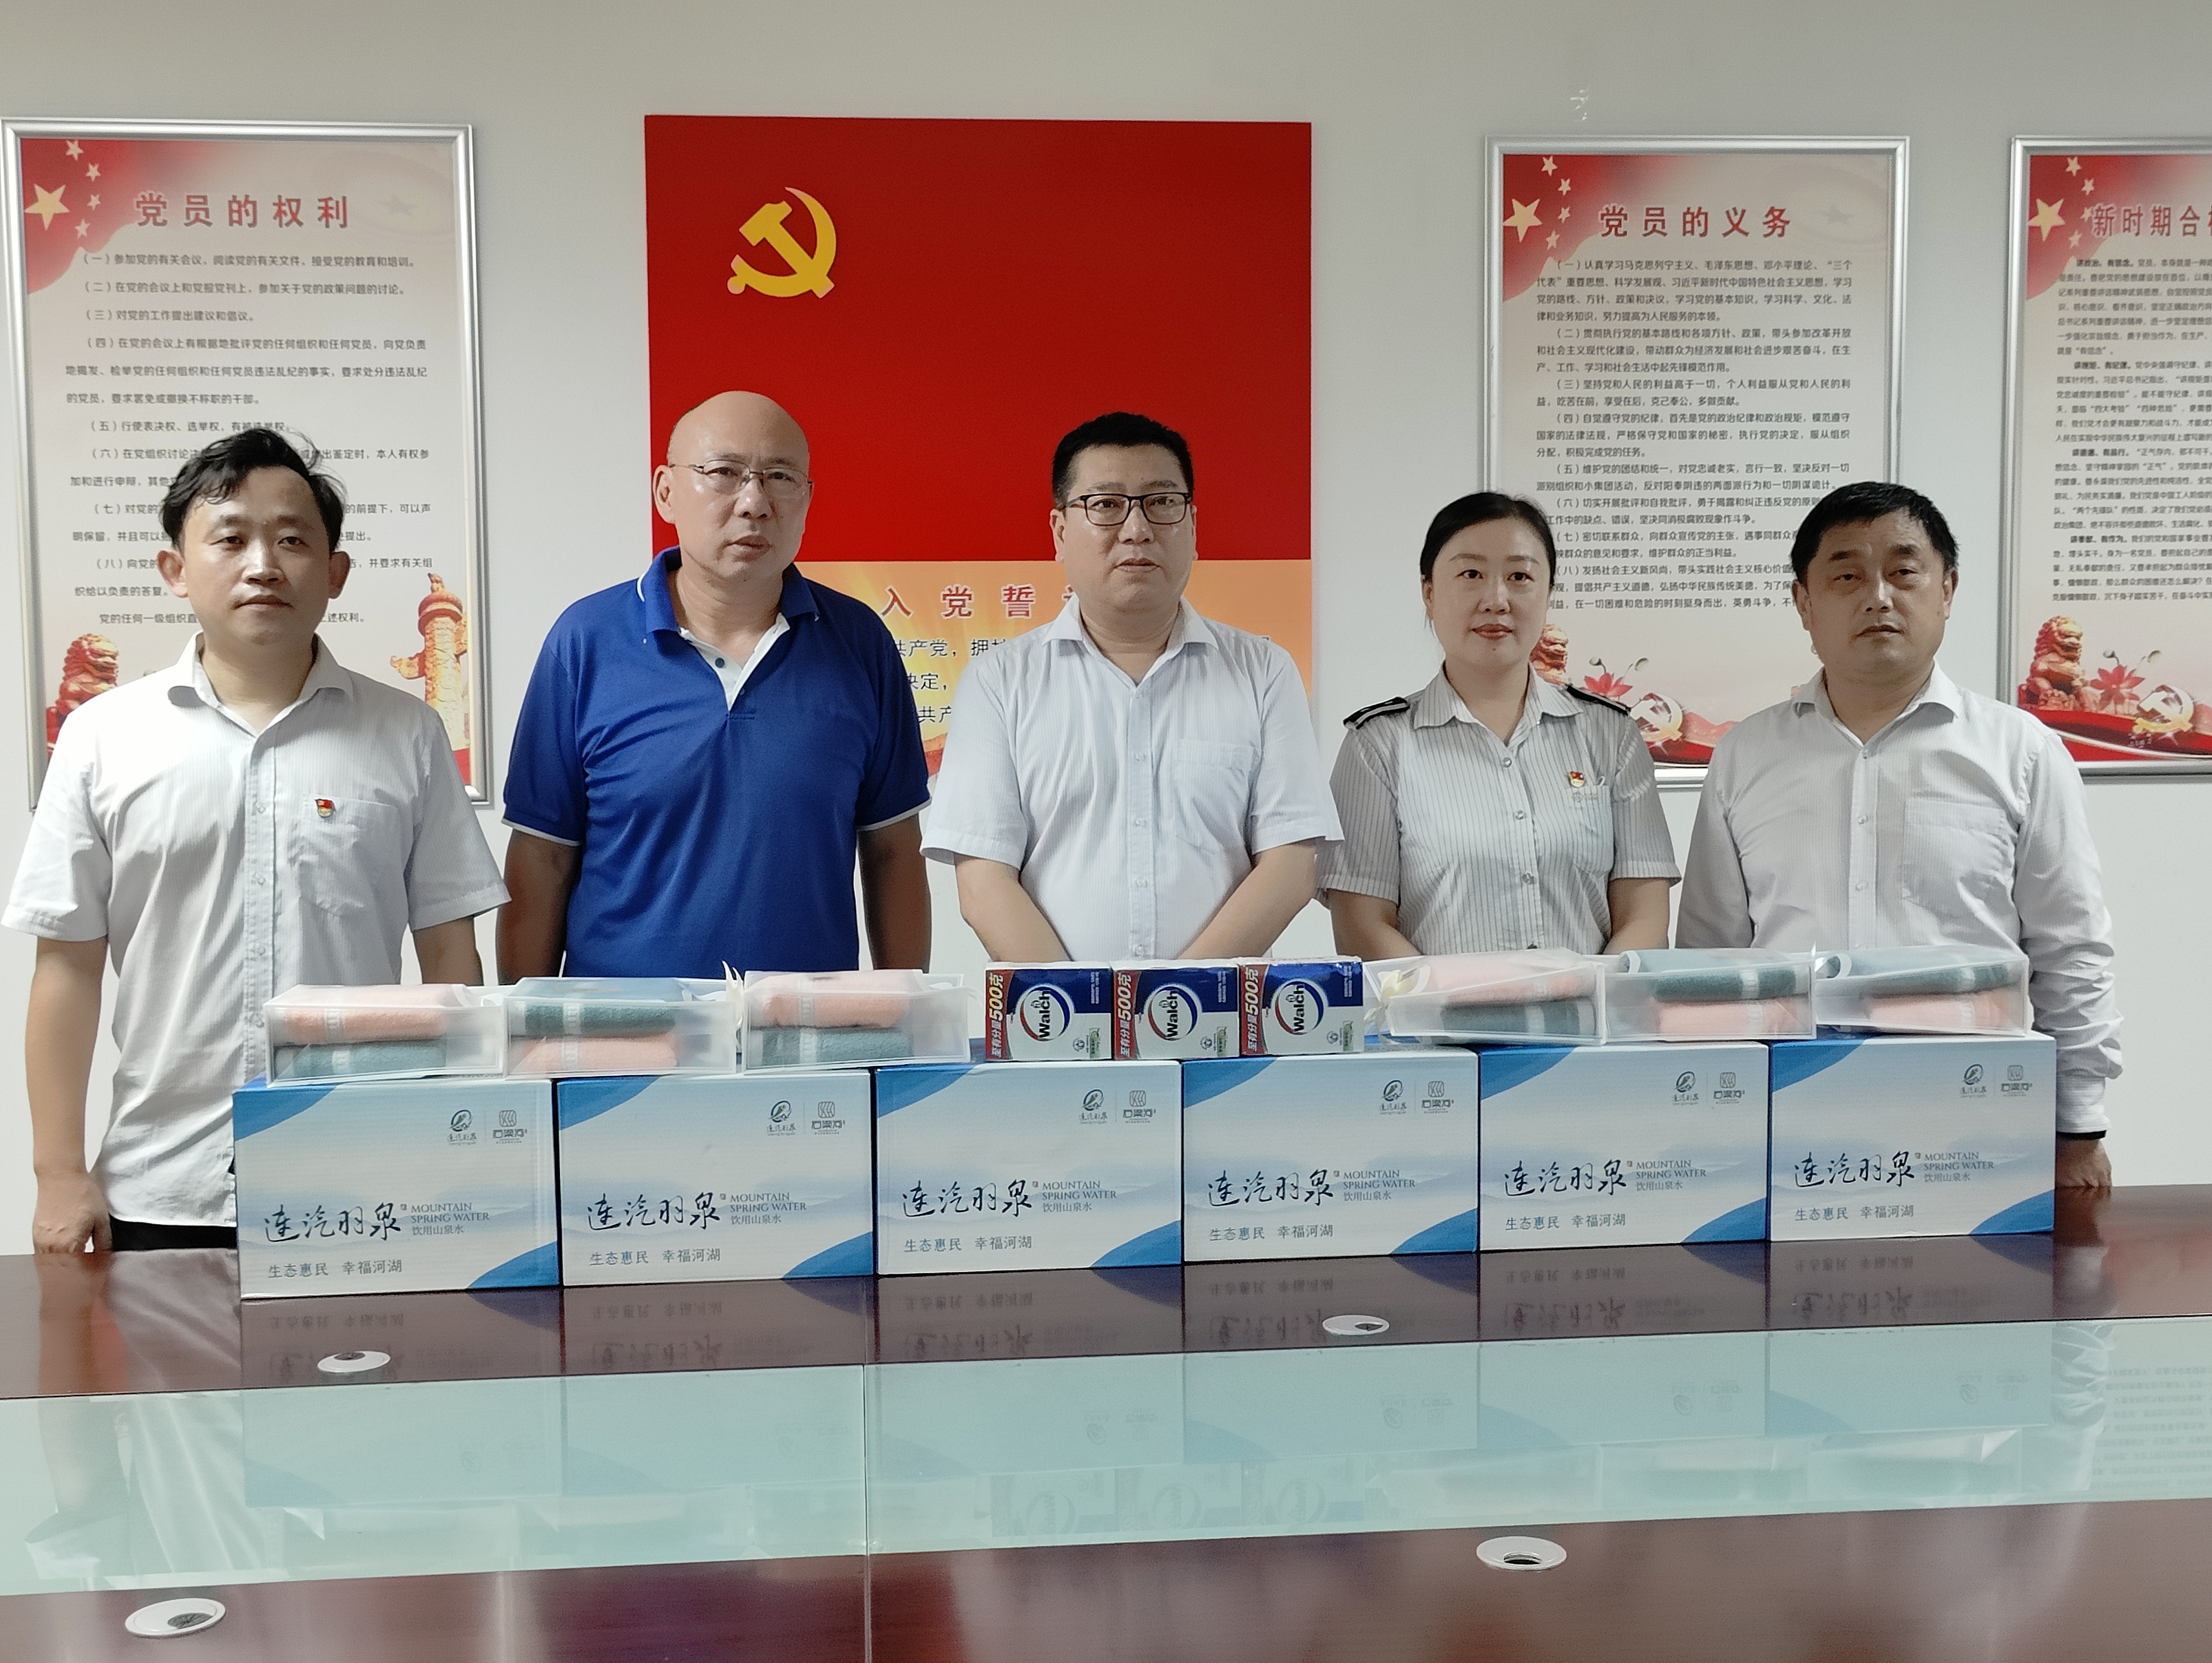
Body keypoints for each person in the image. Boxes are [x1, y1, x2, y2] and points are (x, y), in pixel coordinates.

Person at [7, 427, 505, 1253]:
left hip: (364, 1177)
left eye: (292, 540)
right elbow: (66, 965)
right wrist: (58, 1171)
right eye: (231, 538)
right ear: (176, 569)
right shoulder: (102, 737)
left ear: (335, 573)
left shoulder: (408, 733)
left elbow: (451, 957)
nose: (263, 564)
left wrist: (454, 1136)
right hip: (162, 1185)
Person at [1677, 480, 2121, 1191]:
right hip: (1787, 1120)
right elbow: (1709, 960)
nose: (1877, 597)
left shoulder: (2022, 752)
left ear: (1946, 589)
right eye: (1847, 576)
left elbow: (2070, 951)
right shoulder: (1744, 755)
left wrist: (2079, 1126)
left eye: (1903, 571)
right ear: (1803, 603)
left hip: (1980, 1123)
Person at [500, 391, 930, 979]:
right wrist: (527, 1020)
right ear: (665, 491)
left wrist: (903, 1011)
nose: (754, 503)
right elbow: (541, 857)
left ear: (807, 498)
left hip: (807, 1025)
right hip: (621, 1025)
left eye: (780, 477)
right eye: (724, 473)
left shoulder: (860, 643)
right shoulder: (585, 642)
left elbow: (893, 851)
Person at [924, 411, 1339, 961]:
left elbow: (1290, 866)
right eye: (1106, 504)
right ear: (1059, 532)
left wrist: (1179, 995)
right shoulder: (999, 681)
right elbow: (983, 881)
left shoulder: (1263, 672)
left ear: (1193, 526)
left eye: (1162, 502)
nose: (1137, 529)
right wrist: (1081, 1002)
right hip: (1055, 1008)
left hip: (1216, 1009)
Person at [1321, 493, 1676, 958]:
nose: (1496, 600)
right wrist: (1449, 998)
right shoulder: (1378, 745)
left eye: (1519, 577)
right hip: (1436, 1008)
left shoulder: (1611, 735)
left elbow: (1645, 916)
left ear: (1548, 594)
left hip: (1591, 1005)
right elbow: (1361, 926)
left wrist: (1594, 993)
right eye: (1471, 574)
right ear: (1429, 593)